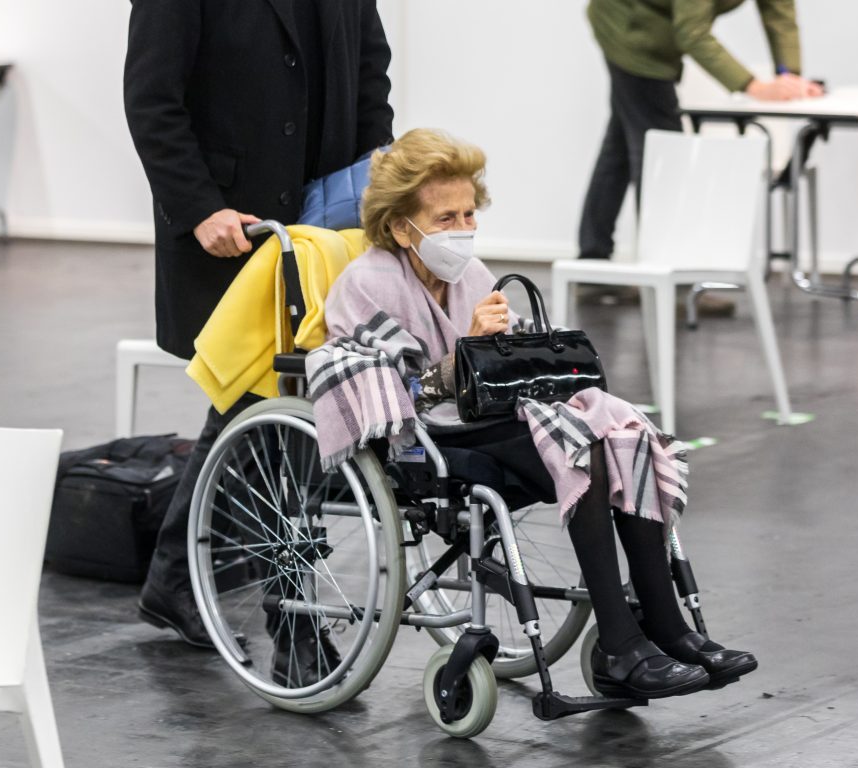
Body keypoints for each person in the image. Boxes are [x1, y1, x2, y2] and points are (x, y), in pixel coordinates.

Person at [306, 128, 758, 699]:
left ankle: (665, 627)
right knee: (582, 447)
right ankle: (621, 644)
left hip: (488, 423)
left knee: (622, 435)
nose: (464, 229)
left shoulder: (468, 274)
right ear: (400, 225)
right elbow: (389, 399)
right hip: (425, 441)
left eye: (470, 214)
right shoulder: (365, 285)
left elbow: (511, 370)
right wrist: (465, 352)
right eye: (446, 218)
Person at [122, 0, 394, 663]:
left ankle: (176, 578)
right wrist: (198, 208)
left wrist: (378, 186)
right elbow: (152, 99)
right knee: (267, 401)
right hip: (231, 227)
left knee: (265, 402)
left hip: (323, 223)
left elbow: (370, 75)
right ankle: (290, 621)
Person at [578, 0, 823, 308]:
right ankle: (672, 285)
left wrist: (789, 75)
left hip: (649, 28)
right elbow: (692, 32)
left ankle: (592, 267)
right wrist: (753, 86)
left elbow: (779, 11)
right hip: (630, 31)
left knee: (621, 151)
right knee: (664, 161)